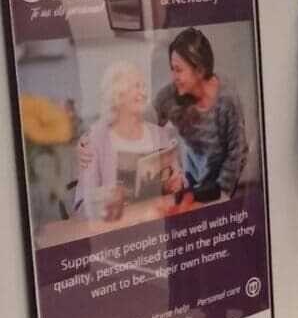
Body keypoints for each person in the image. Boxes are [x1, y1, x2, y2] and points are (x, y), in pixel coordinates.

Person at [153, 28, 249, 203]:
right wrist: (169, 170)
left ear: (199, 70)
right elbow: (146, 123)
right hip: (192, 179)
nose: (174, 77)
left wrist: (222, 196)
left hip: (226, 184)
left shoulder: (228, 99)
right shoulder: (169, 97)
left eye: (179, 70)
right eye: (172, 69)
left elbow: (236, 154)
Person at [73, 61, 180, 216]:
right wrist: (106, 202)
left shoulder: (161, 135)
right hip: (118, 229)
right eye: (136, 86)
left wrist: (176, 183)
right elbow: (81, 206)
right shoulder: (95, 142)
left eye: (144, 87)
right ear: (118, 94)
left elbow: (181, 183)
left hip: (159, 224)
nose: (144, 93)